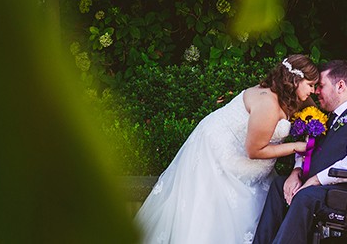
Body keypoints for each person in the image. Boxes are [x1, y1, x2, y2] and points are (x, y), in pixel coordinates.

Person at [135, 55, 320, 244]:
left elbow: (315, 113)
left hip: (247, 159)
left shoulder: (290, 95)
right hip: (220, 153)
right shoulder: (268, 104)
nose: (313, 91)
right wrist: (296, 147)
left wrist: (317, 123)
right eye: (311, 85)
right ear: (295, 80)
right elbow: (254, 151)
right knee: (210, 218)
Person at [252, 59, 347, 244]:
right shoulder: (322, 118)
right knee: (279, 186)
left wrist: (315, 180)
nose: (316, 92)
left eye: (321, 86)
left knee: (306, 197)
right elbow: (307, 148)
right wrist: (296, 172)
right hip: (321, 188)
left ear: (340, 86)